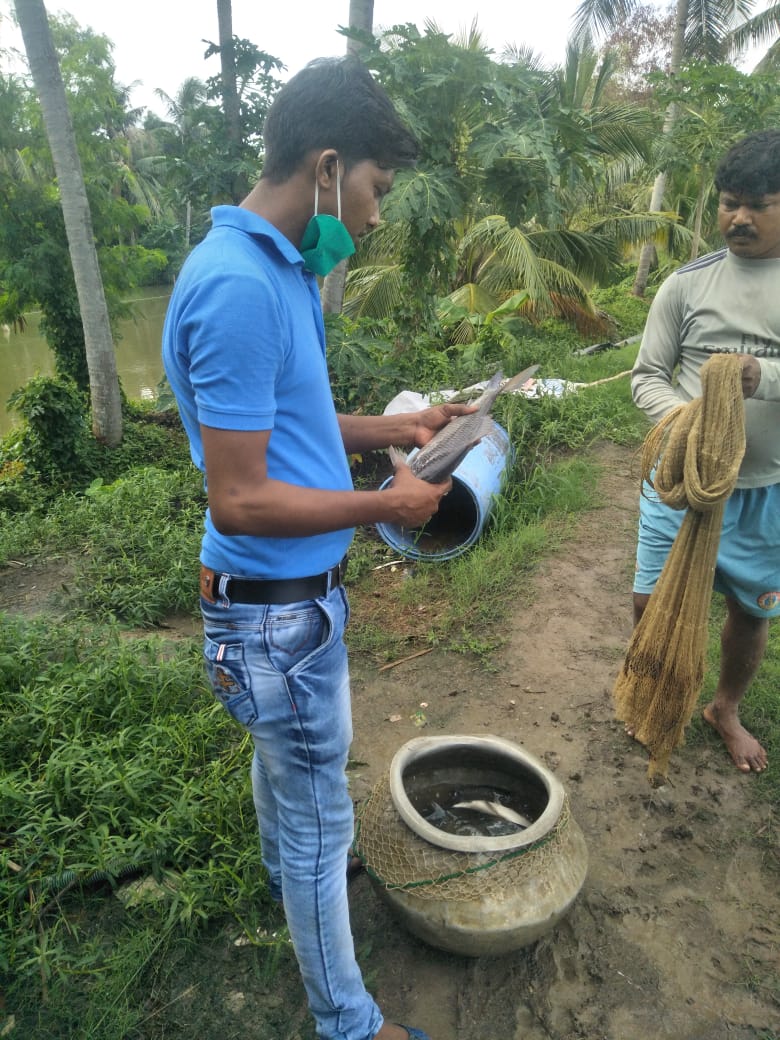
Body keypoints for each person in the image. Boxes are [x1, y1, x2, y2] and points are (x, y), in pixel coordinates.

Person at [161, 57, 474, 1040]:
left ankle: (292, 874)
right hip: (276, 615)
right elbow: (241, 496)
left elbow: (287, 422)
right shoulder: (238, 286)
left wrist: (398, 430)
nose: (375, 216)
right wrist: (387, 504)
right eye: (377, 187)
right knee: (317, 810)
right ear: (328, 166)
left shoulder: (278, 269)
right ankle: (349, 1022)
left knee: (291, 779)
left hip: (283, 605)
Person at [630, 128, 780, 774]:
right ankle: (656, 695)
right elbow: (647, 376)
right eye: (728, 203)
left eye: (757, 205)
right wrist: (685, 425)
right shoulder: (686, 285)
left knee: (750, 612)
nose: (738, 217)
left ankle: (724, 708)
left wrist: (760, 376)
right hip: (680, 484)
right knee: (650, 601)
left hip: (765, 491)